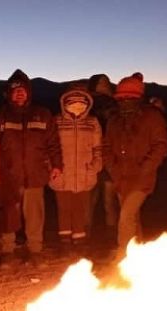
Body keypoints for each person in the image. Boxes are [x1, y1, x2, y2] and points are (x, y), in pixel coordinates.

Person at [0, 69, 63, 267]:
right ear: (8, 93)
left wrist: (57, 164)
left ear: (29, 92)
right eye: (15, 90)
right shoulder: (0, 115)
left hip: (35, 174)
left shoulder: (42, 114)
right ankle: (7, 249)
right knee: (8, 214)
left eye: (23, 90)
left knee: (34, 215)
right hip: (8, 175)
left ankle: (35, 250)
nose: (19, 93)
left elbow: (53, 143)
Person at [103, 75, 167, 263]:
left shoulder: (151, 117)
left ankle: (122, 257)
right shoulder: (114, 120)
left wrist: (145, 168)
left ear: (138, 98)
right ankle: (138, 256)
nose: (125, 102)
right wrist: (114, 169)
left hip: (141, 179)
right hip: (121, 178)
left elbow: (161, 145)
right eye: (121, 98)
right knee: (133, 218)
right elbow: (106, 148)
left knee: (125, 216)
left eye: (129, 98)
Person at [49, 83, 102, 251]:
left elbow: (98, 147)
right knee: (63, 207)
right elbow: (49, 145)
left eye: (82, 103)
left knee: (80, 207)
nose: (78, 106)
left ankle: (79, 238)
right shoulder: (56, 121)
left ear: (88, 103)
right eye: (73, 102)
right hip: (61, 172)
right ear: (65, 103)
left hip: (84, 172)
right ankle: (64, 240)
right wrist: (50, 166)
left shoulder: (92, 122)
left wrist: (96, 165)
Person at [87, 74, 119, 245]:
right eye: (102, 83)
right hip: (99, 158)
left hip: (104, 159)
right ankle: (106, 237)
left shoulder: (90, 105)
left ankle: (101, 236)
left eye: (106, 82)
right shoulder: (92, 106)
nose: (105, 85)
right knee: (100, 202)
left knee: (103, 201)